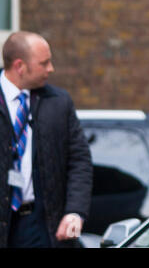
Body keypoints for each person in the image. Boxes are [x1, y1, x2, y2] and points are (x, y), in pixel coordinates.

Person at [0, 31, 93, 247]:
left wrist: (75, 212)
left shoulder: (58, 102)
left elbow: (79, 160)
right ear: (20, 66)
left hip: (41, 226)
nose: (51, 69)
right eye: (44, 63)